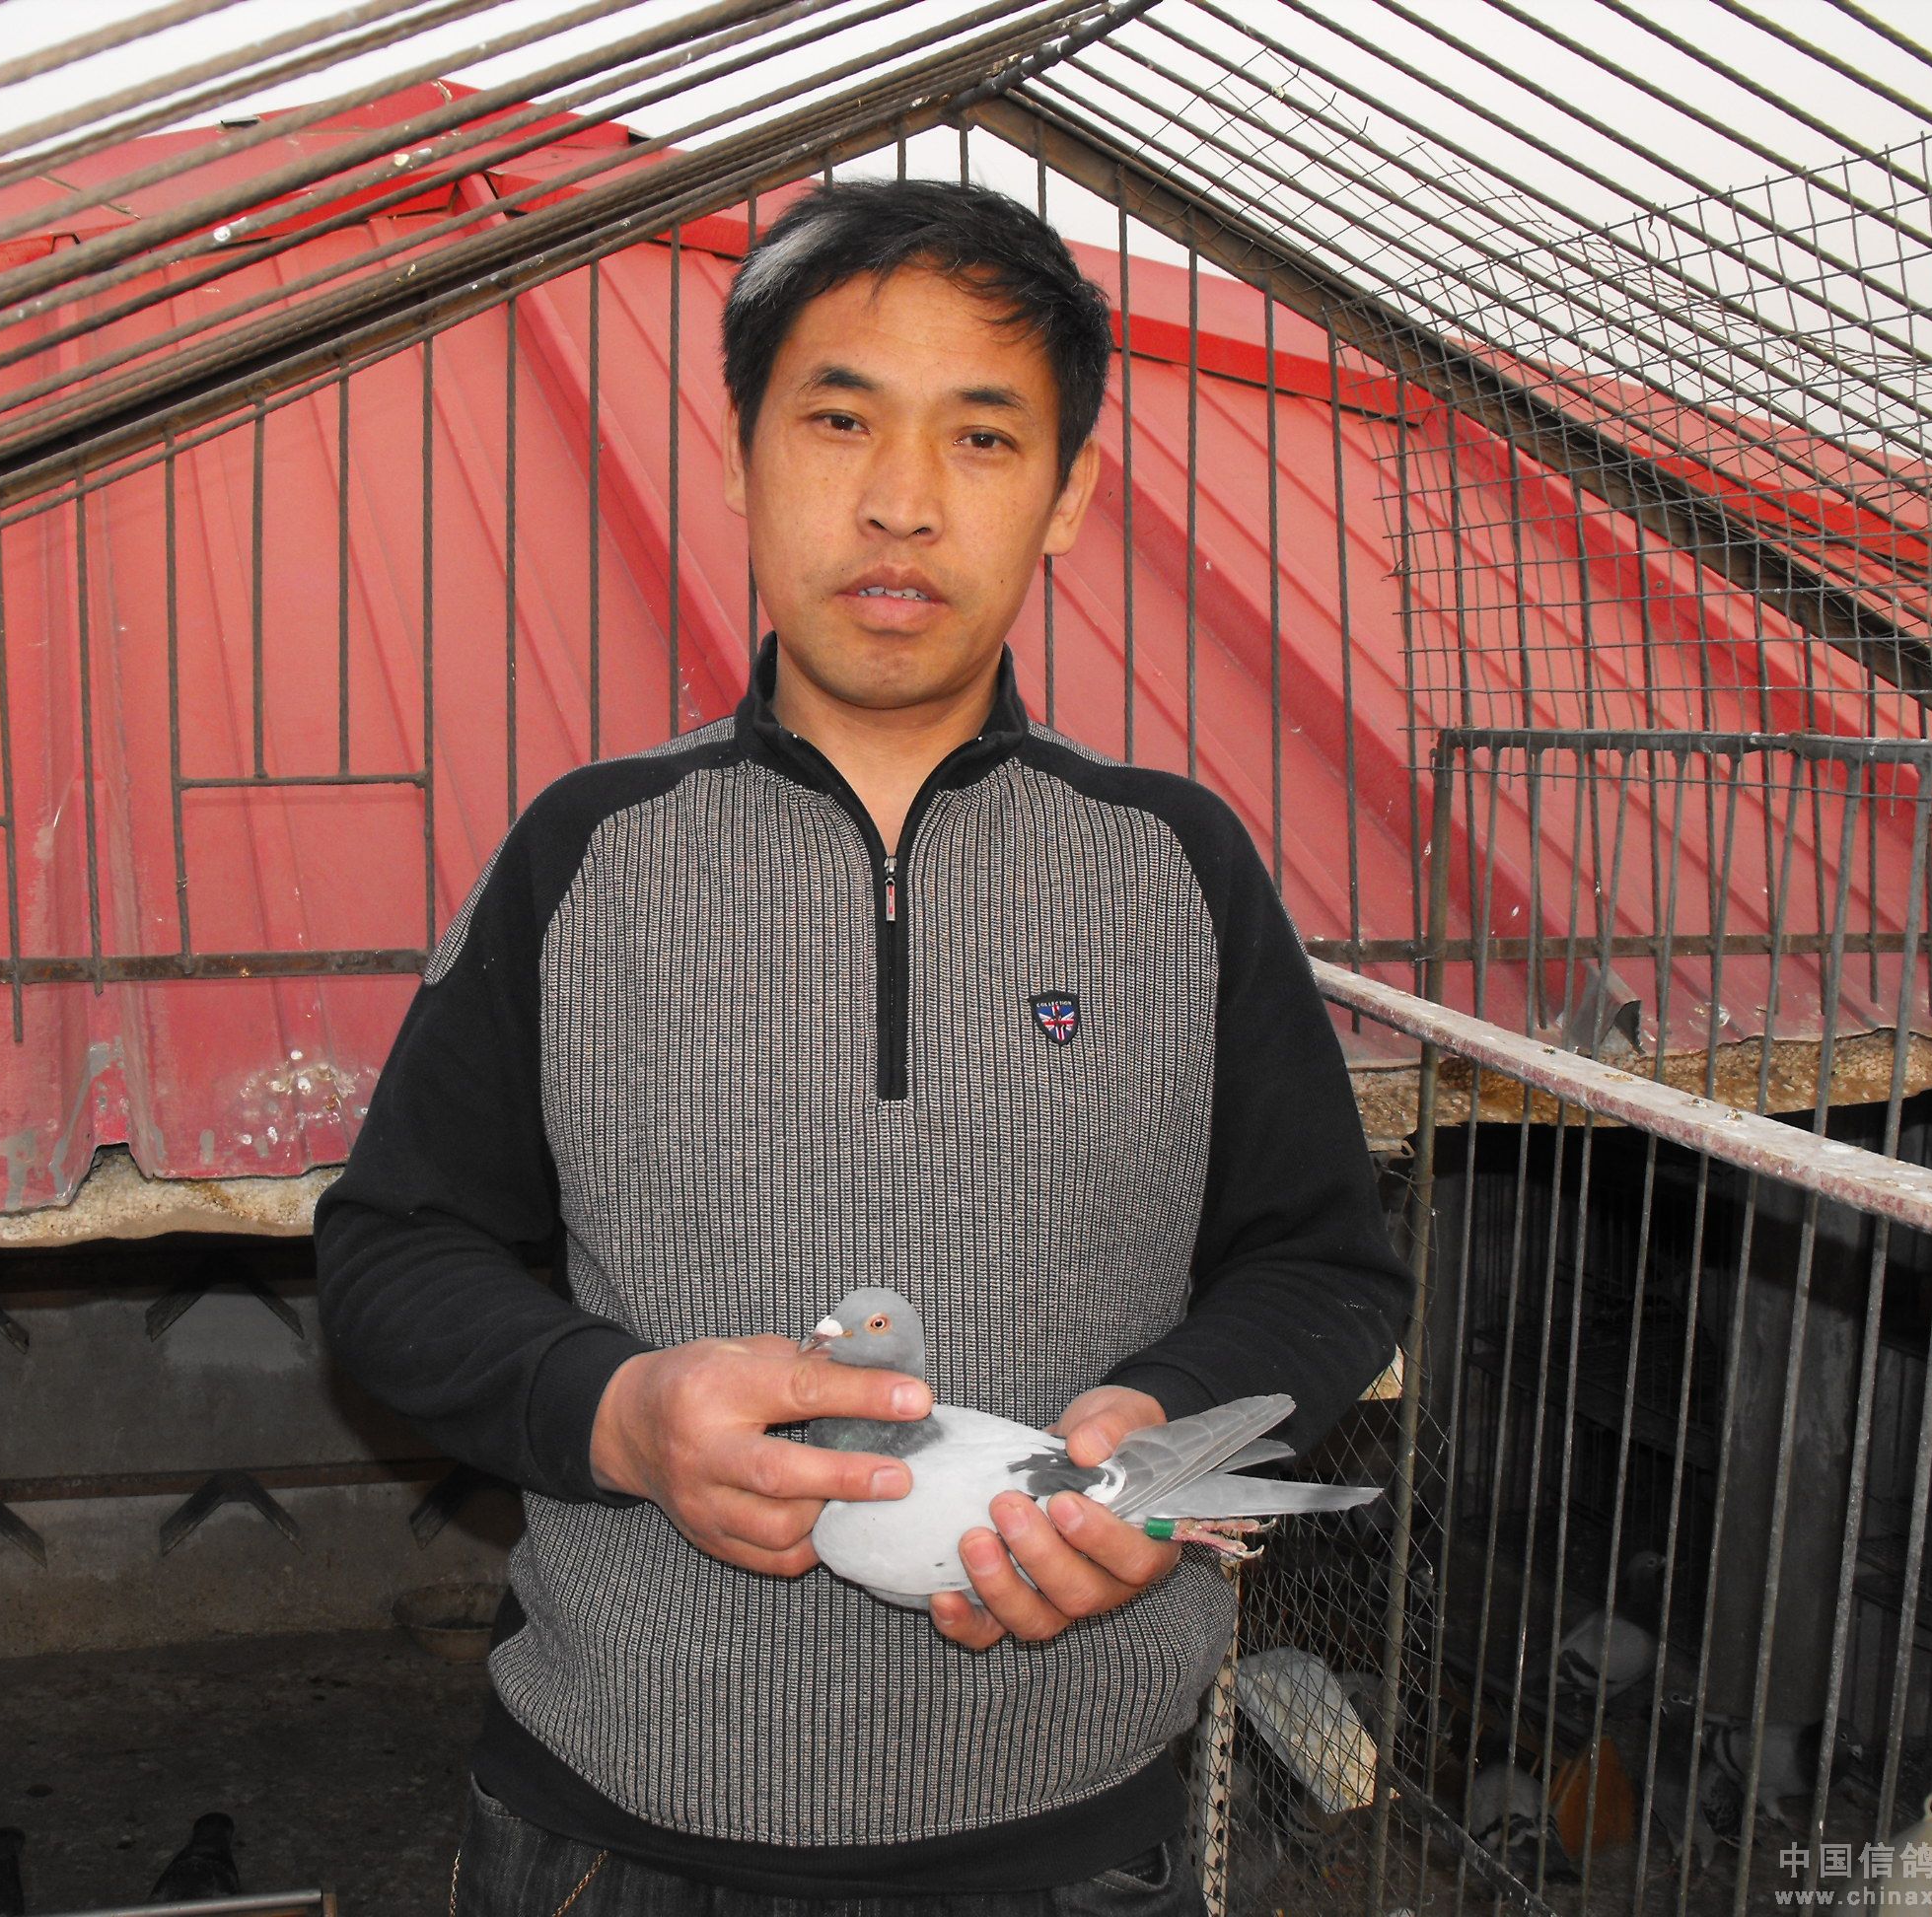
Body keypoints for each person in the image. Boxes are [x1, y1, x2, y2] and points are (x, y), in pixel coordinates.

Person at [314, 177, 1409, 1913]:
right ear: (740, 459)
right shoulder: (588, 856)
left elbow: (1324, 1269)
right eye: (839, 421)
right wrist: (624, 1414)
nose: (902, 500)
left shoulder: (1175, 867)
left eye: (983, 438)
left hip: (1078, 1834)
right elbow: (393, 1257)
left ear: (1067, 497)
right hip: (624, 1824)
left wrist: (1158, 1440)